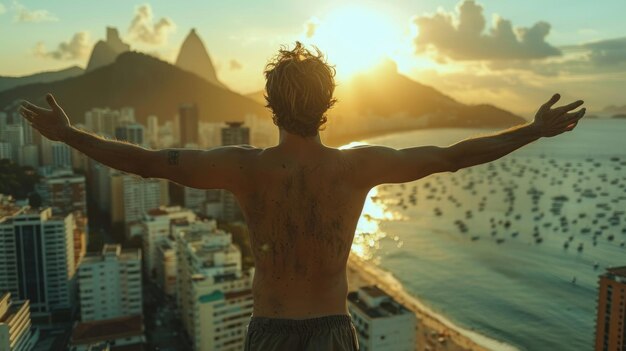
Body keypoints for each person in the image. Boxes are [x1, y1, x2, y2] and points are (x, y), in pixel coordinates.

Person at [19, 41, 586, 351]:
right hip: (333, 333)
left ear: (269, 105)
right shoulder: (358, 166)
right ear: (329, 103)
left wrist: (69, 135)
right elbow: (452, 155)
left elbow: (143, 162)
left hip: (268, 332)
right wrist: (531, 130)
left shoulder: (242, 168)